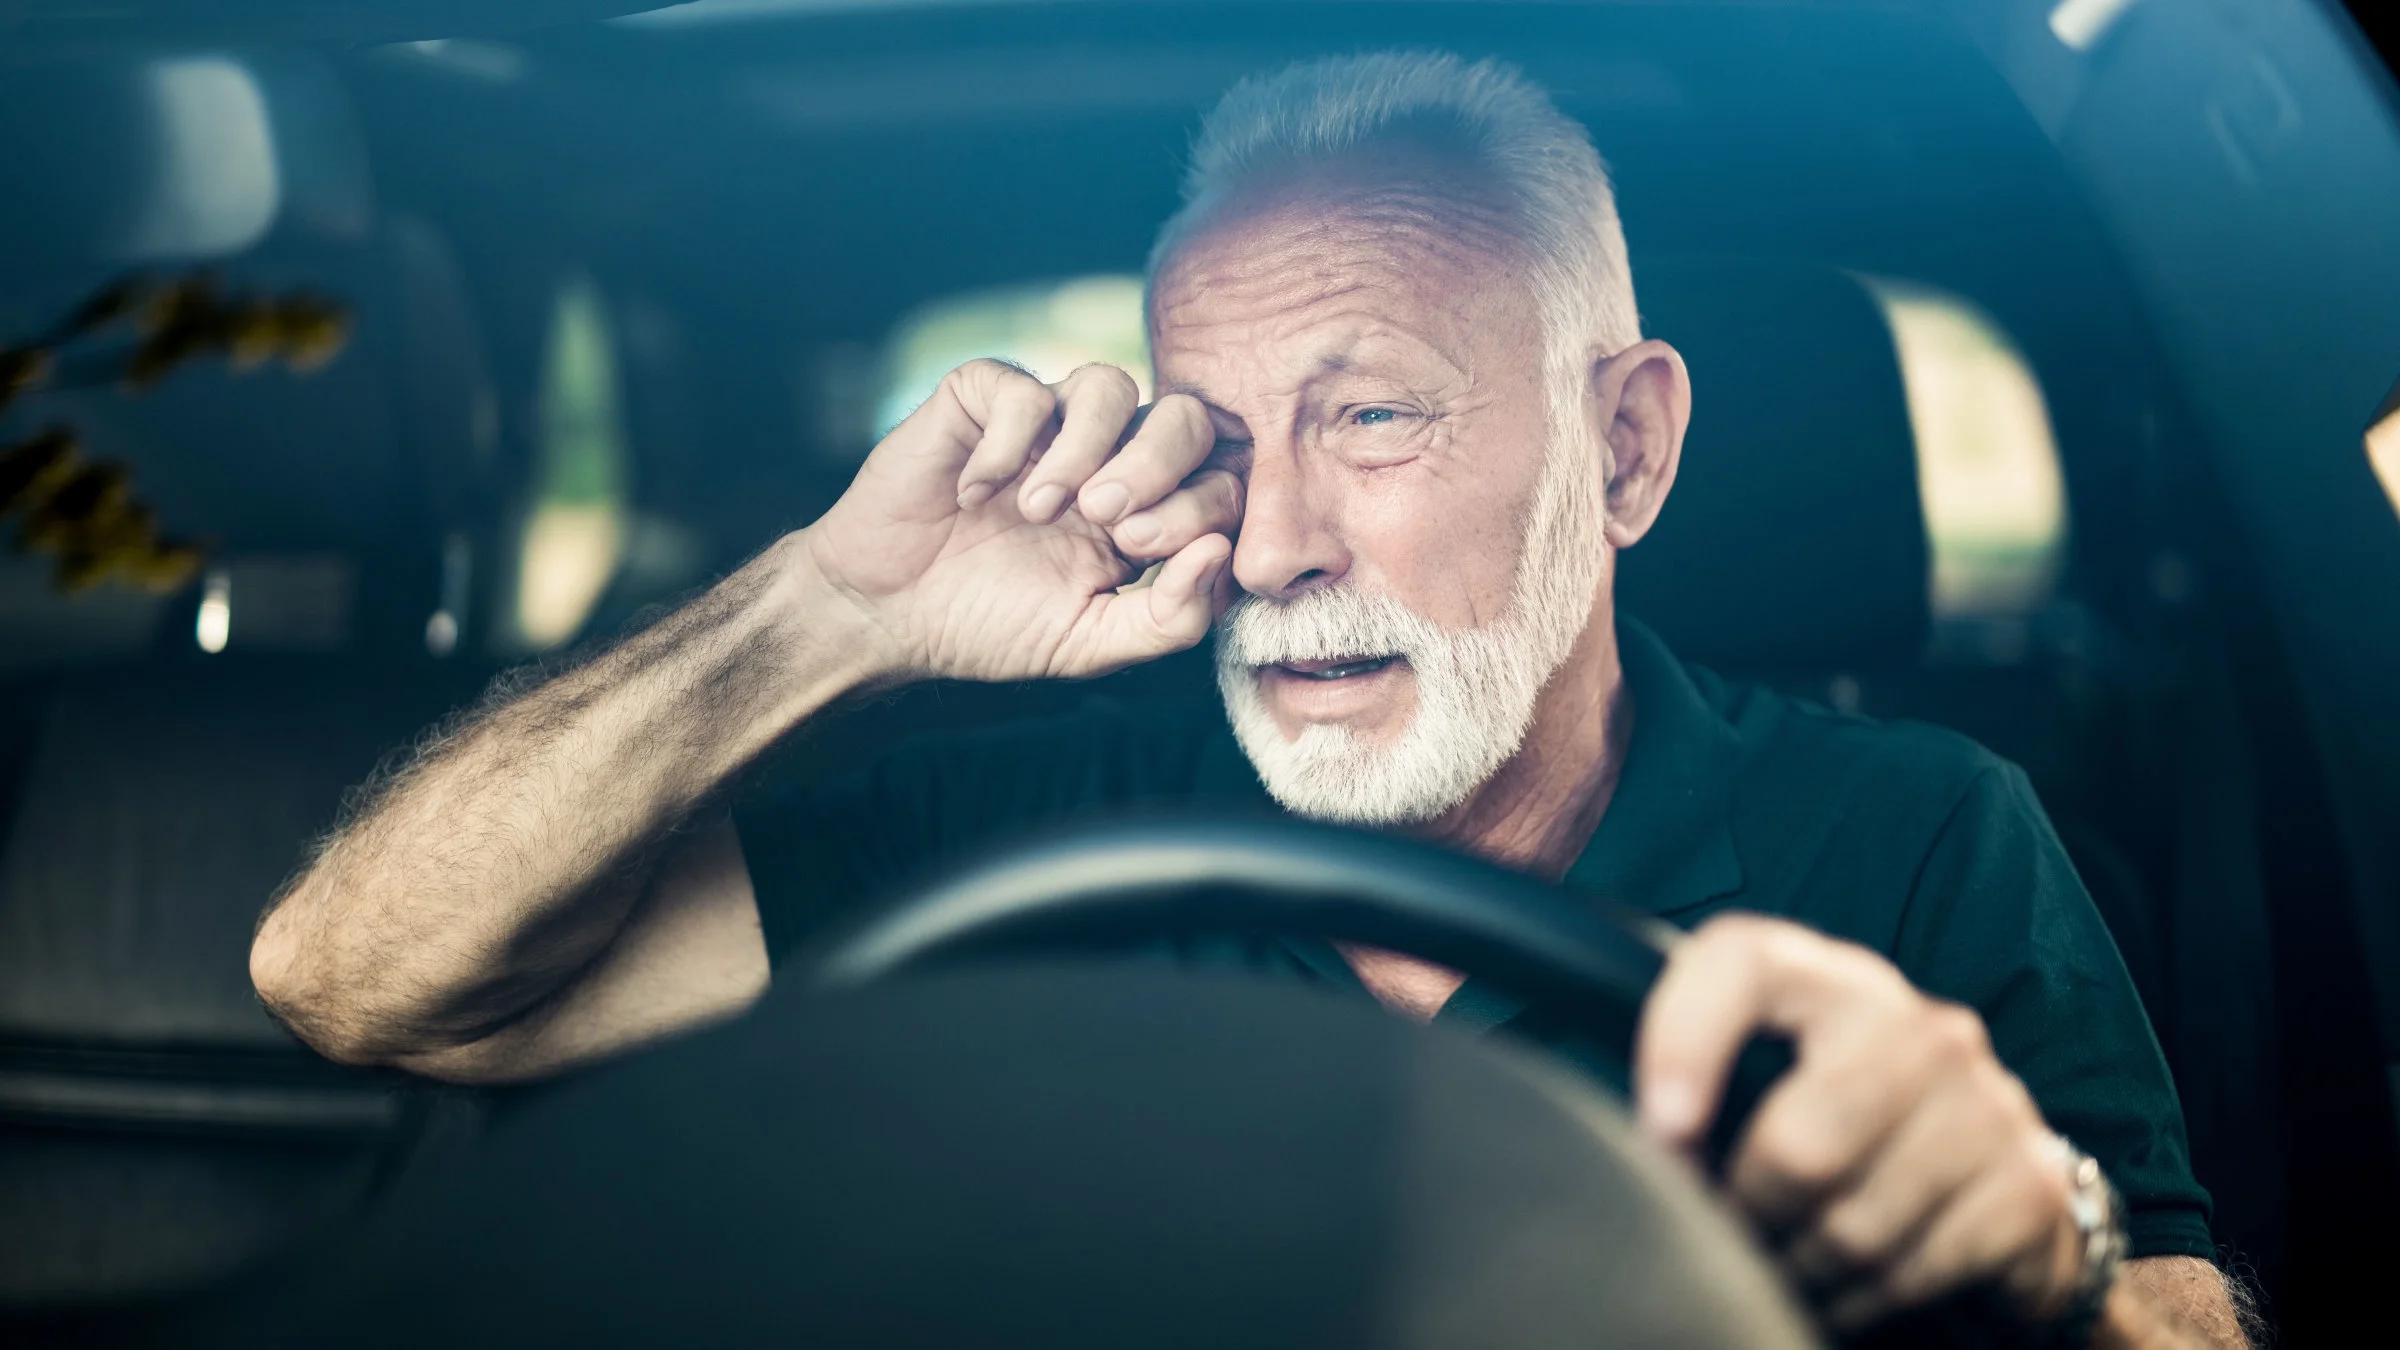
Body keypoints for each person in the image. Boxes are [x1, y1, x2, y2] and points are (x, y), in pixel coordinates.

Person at [251, 52, 2252, 1347]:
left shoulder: (1918, 833)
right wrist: (825, 614)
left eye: (1371, 415)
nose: (1276, 537)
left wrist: (2044, 1252)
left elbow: (2179, 1319)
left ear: (1625, 451)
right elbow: (368, 984)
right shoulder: (1033, 812)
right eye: (1217, 437)